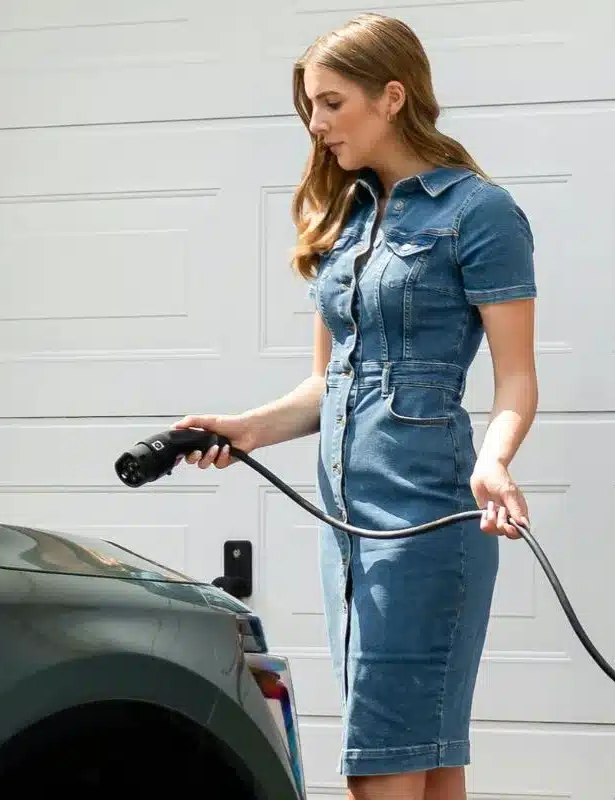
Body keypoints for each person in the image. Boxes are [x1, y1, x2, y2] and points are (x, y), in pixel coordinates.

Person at [170, 13, 539, 799]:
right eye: (310, 105)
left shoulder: (481, 213)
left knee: (382, 768)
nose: (316, 123)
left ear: (393, 97)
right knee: (426, 764)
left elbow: (516, 378)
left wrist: (495, 461)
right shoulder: (345, 218)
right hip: (346, 531)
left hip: (428, 523)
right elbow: (327, 383)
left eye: (332, 102)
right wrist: (247, 431)